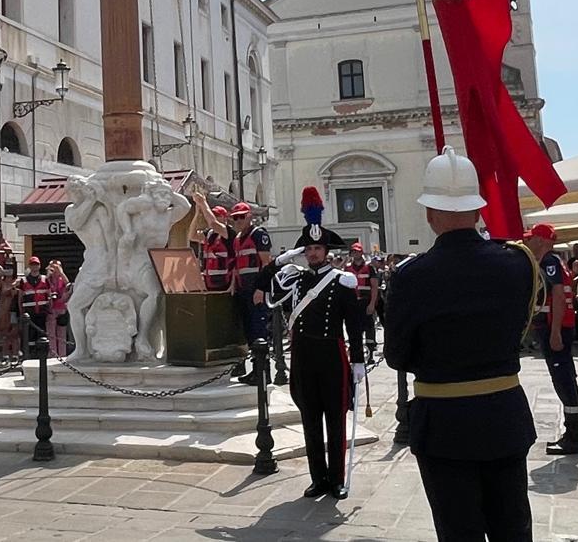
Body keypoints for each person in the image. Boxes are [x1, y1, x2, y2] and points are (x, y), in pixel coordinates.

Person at [383, 147, 536, 541]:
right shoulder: (517, 263)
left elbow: (397, 355)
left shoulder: (411, 277)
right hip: (503, 415)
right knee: (513, 531)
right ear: (479, 210)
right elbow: (519, 329)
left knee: (458, 533)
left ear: (429, 214)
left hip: (444, 423)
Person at [269, 188, 364, 499]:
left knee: (335, 420)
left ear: (326, 251)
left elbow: (354, 325)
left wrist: (358, 360)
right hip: (304, 356)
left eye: (317, 248)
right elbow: (265, 287)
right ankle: (317, 478)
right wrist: (281, 260)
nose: (312, 253)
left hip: (331, 355)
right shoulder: (296, 278)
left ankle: (336, 479)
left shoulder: (342, 281)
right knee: (310, 419)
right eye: (308, 249)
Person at [520, 223, 578, 455]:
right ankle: (572, 433)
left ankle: (574, 436)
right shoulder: (554, 261)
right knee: (564, 378)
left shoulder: (549, 262)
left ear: (540, 240)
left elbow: (556, 294)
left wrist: (555, 331)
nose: (527, 242)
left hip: (553, 327)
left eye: (531, 238)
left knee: (563, 379)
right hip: (555, 326)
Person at [227, 202, 272, 385]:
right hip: (243, 291)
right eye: (235, 217)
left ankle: (263, 372)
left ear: (249, 217)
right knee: (249, 332)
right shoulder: (237, 238)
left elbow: (266, 264)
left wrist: (261, 289)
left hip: (255, 290)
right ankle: (255, 370)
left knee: (259, 330)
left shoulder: (258, 235)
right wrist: (233, 286)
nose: (238, 220)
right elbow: (236, 266)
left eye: (241, 217)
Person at [189, 192, 232, 292]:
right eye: (213, 215)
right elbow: (192, 236)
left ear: (224, 218)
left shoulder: (228, 231)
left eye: (217, 215)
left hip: (225, 283)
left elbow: (213, 223)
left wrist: (203, 202)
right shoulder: (209, 233)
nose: (213, 217)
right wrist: (197, 214)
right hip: (209, 283)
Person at [18, 256, 52, 353]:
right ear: (29, 266)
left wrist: (50, 309)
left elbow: (49, 295)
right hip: (29, 312)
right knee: (30, 334)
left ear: (39, 266)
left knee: (41, 333)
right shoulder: (23, 280)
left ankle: (41, 353)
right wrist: (21, 312)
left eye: (36, 264)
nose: (35, 266)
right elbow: (20, 298)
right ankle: (30, 353)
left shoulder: (45, 279)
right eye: (32, 264)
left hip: (42, 312)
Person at [46, 260, 71, 358]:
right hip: (51, 308)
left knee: (61, 334)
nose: (55, 270)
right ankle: (53, 354)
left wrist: (61, 273)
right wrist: (49, 273)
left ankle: (62, 354)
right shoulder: (48, 279)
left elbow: (68, 285)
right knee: (51, 333)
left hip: (61, 308)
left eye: (57, 267)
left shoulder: (62, 279)